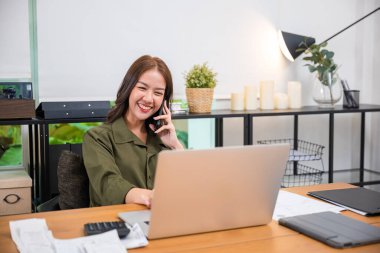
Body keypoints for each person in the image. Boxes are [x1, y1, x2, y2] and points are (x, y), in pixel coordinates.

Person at [83, 55, 184, 208]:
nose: (149, 99)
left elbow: (187, 186)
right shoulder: (97, 138)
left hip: (158, 222)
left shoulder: (162, 139)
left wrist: (175, 145)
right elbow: (108, 184)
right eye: (142, 88)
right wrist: (151, 197)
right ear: (128, 88)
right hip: (113, 223)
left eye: (158, 93)